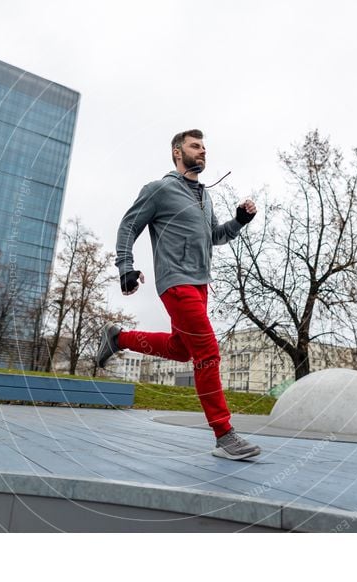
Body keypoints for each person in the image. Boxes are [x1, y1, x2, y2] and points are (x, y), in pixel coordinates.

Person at [96, 129, 261, 460]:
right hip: (176, 281)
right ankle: (224, 434)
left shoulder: (205, 196)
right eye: (195, 146)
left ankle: (119, 338)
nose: (202, 152)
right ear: (177, 152)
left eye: (204, 147)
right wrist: (125, 266)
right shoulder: (159, 190)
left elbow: (214, 235)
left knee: (181, 350)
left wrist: (240, 221)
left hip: (201, 283)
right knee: (207, 353)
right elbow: (129, 226)